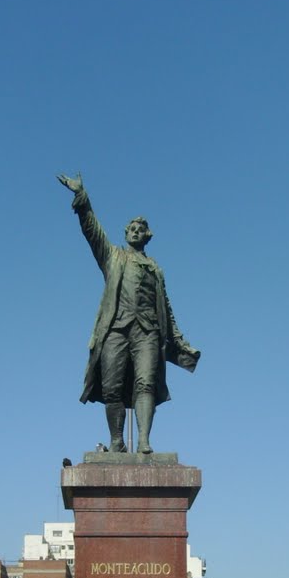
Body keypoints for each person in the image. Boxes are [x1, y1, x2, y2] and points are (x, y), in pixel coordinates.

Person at [57, 173, 200, 454]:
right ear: (125, 234)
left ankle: (144, 441)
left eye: (140, 228)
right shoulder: (113, 257)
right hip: (116, 329)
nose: (135, 231)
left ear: (148, 235)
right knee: (112, 386)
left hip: (148, 331)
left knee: (145, 383)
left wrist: (180, 341)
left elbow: (166, 309)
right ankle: (116, 441)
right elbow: (92, 231)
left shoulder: (156, 269)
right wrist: (81, 198)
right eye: (131, 228)